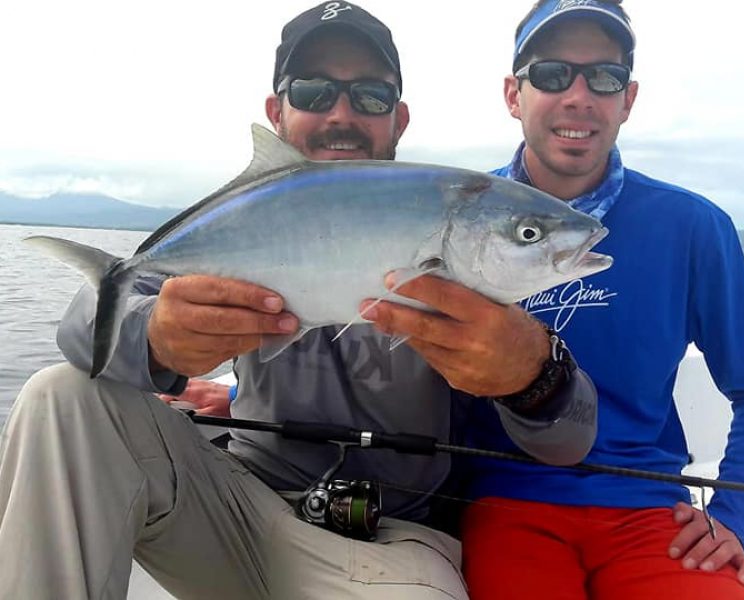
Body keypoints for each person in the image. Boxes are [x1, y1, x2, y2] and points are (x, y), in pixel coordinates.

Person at [0, 3, 599, 599]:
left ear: (399, 118)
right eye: (313, 91)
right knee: (61, 396)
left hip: (393, 540)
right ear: (276, 112)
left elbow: (567, 440)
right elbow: (84, 329)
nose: (341, 114)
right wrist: (155, 338)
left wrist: (533, 375)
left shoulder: (469, 247)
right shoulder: (237, 224)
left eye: (369, 95)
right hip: (233, 507)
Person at [365, 2, 744, 599]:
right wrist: (239, 393)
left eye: (604, 77)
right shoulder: (453, 219)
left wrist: (734, 516)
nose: (579, 96)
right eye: (551, 75)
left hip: (652, 513)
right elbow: (385, 348)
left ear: (629, 98)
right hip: (503, 504)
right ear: (514, 94)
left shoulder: (692, 226)